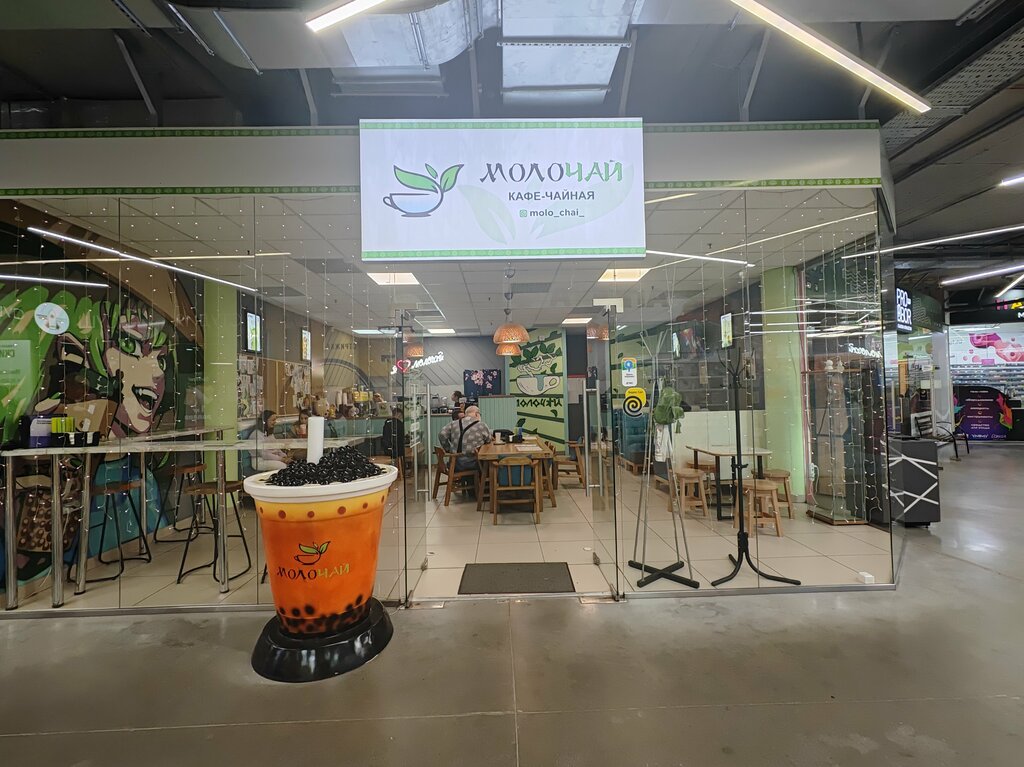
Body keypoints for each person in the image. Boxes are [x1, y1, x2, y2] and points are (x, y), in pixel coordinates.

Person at [439, 404, 491, 472]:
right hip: (472, 463)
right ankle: (483, 478)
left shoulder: (453, 423)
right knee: (490, 463)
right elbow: (488, 440)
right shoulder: (481, 425)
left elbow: (442, 434)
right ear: (476, 414)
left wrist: (448, 449)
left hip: (454, 463)